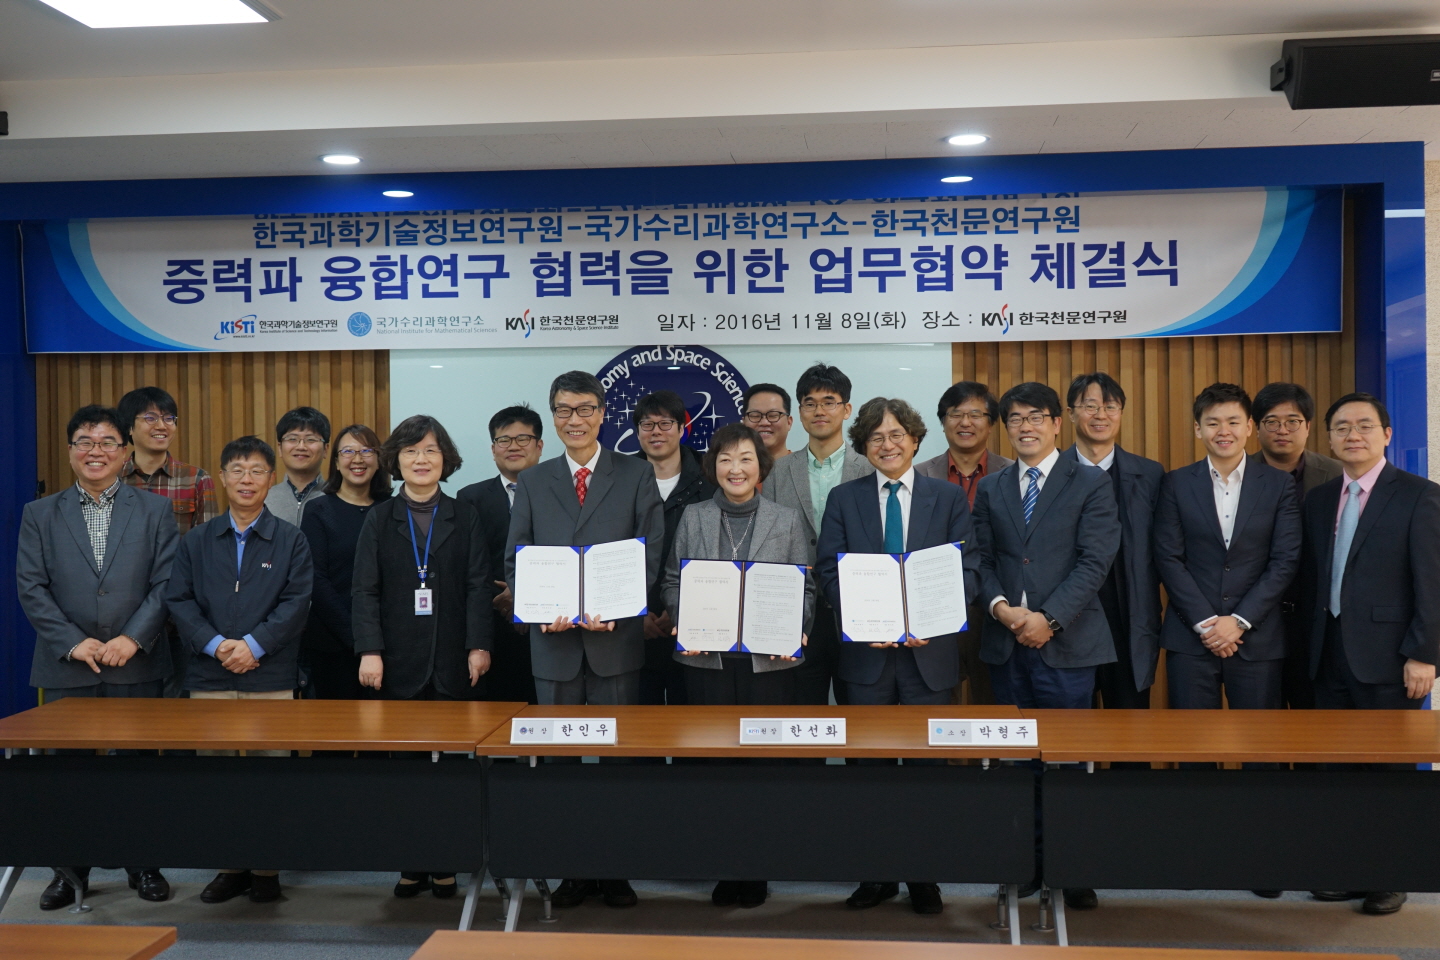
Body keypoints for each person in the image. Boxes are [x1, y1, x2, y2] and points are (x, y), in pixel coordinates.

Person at [505, 370, 664, 910]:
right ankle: (571, 868)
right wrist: (539, 610)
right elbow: (516, 557)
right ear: (554, 418)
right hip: (552, 646)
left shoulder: (636, 474)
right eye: (564, 410)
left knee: (619, 762)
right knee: (559, 765)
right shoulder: (533, 480)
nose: (574, 419)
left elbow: (650, 549)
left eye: (585, 409)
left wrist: (620, 609)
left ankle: (615, 869)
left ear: (602, 414)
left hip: (615, 642)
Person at [816, 398, 978, 917]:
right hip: (865, 661)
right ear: (864, 448)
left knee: (927, 775)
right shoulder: (845, 499)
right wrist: (870, 622)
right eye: (876, 438)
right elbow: (828, 574)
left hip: (928, 661)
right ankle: (876, 874)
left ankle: (924, 877)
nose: (887, 445)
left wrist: (926, 621)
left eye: (897, 435)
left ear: (915, 439)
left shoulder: (947, 498)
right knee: (869, 773)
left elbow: (967, 571)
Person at [17, 405, 179, 910]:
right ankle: (69, 871)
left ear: (125, 452)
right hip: (68, 666)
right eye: (84, 441)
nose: (95, 451)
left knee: (138, 773)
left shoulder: (154, 510)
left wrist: (133, 638)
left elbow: (166, 582)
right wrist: (72, 641)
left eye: (107, 442)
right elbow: (31, 586)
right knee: (68, 777)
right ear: (70, 452)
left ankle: (143, 863)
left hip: (137, 663)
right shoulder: (39, 513)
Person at [972, 381, 1119, 911]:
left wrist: (1049, 619)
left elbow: (1095, 560)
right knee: (1018, 764)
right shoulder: (992, 487)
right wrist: (1002, 610)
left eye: (1036, 416)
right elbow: (980, 560)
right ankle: (1025, 866)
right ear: (1005, 427)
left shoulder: (1090, 482)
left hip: (1069, 645)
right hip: (1007, 643)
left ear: (1058, 423)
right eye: (1015, 418)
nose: (1026, 426)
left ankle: (1072, 867)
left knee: (1069, 763)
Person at [661, 422, 814, 910]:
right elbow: (671, 580)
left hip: (767, 664)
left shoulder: (787, 520)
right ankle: (724, 865)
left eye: (746, 458)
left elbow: (806, 587)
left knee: (762, 766)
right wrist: (688, 620)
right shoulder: (693, 517)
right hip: (706, 662)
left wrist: (798, 626)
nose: (736, 468)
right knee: (714, 765)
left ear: (761, 466)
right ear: (714, 467)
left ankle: (758, 866)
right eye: (726, 459)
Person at [1302, 392, 1440, 916]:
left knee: (1390, 774)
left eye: (1363, 426)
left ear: (1386, 434)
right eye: (1341, 428)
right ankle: (1345, 870)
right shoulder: (1319, 499)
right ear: (1330, 438)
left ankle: (1390, 876)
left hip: (1391, 659)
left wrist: (1424, 654)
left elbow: (1432, 581)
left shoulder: (1419, 495)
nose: (1352, 435)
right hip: (1328, 655)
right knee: (1336, 773)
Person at [166, 435, 314, 905]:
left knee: (271, 779)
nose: (246, 479)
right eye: (237, 470)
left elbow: (297, 603)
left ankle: (267, 869)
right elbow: (178, 600)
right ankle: (230, 867)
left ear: (270, 480)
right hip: (209, 678)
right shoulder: (197, 540)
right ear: (223, 478)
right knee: (218, 782)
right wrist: (215, 646)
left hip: (270, 678)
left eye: (256, 471)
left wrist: (252, 646)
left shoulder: (291, 539)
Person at [352, 414, 493, 899]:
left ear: (445, 459)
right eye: (411, 451)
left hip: (455, 657)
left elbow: (478, 586)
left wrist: (480, 645)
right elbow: (364, 591)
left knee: (452, 768)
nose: (421, 460)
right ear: (395, 460)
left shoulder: (465, 514)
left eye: (430, 451)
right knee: (405, 768)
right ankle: (410, 860)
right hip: (396, 660)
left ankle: (448, 859)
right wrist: (369, 650)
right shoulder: (378, 518)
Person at [1153, 383, 1301, 716]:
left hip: (1257, 638)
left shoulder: (1278, 485)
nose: (1224, 431)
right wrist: (1206, 622)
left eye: (1233, 422)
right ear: (1198, 429)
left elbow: (1285, 560)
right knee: (1193, 750)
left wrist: (1239, 620)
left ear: (1249, 427)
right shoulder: (1175, 483)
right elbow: (1169, 558)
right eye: (1213, 422)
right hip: (1191, 639)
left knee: (1260, 751)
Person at [761, 363, 874, 705]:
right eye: (809, 403)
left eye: (829, 401)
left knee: (860, 717)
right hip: (797, 614)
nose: (819, 411)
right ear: (799, 412)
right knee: (799, 717)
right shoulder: (775, 473)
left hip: (857, 611)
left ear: (847, 409)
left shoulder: (870, 469)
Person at [1060, 373, 1164, 711]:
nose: (1100, 415)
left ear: (1121, 412)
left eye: (1110, 406)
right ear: (1071, 414)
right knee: (1070, 734)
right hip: (1066, 620)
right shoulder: (1050, 473)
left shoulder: (1150, 475)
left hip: (1129, 617)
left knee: (1132, 730)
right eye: (1089, 406)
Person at [117, 385, 219, 697]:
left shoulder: (197, 479)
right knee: (130, 718)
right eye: (150, 417)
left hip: (180, 618)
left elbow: (211, 556)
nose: (162, 425)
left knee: (182, 716)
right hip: (124, 619)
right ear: (128, 428)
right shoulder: (113, 482)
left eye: (169, 418)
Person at [916, 381, 1012, 705]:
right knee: (938, 709)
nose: (965, 423)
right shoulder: (917, 476)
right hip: (933, 613)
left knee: (994, 705)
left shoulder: (1012, 475)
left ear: (991, 422)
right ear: (943, 422)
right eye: (956, 414)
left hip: (997, 613)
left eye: (975, 414)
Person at [1251, 382, 1342, 710]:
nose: (1282, 430)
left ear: (1308, 427)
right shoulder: (1236, 475)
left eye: (1293, 421)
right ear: (1256, 428)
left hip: (1317, 623)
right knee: (1261, 728)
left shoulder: (1337, 475)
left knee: (1315, 724)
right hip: (1256, 621)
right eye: (1271, 422)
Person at [458, 404, 544, 705]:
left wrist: (523, 594)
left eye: (523, 439)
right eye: (503, 440)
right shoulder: (470, 498)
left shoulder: (563, 495)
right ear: (493, 449)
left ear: (539, 446)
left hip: (549, 627)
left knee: (544, 714)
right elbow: (469, 563)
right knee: (488, 716)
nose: (513, 447)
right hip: (491, 622)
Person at [633, 389, 715, 706]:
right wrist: (634, 613)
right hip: (633, 631)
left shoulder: (711, 478)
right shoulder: (618, 480)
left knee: (693, 735)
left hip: (698, 628)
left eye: (666, 423)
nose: (656, 431)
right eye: (646, 424)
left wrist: (681, 610)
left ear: (683, 429)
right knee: (638, 737)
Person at [300, 424, 392, 701]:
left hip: (386, 642)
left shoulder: (392, 509)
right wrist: (358, 637)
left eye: (367, 450)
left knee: (378, 737)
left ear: (379, 460)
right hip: (332, 642)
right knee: (333, 738)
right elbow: (316, 579)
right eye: (348, 451)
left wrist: (373, 641)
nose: (358, 459)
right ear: (337, 462)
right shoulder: (318, 510)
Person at [265, 406, 330, 526]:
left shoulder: (337, 497)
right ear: (280, 448)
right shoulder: (263, 500)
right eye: (292, 439)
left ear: (326, 449)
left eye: (310, 439)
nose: (301, 447)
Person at [741, 383, 795, 462]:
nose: (764, 422)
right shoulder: (733, 471)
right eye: (755, 415)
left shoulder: (806, 470)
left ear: (789, 422)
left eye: (773, 415)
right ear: (744, 422)